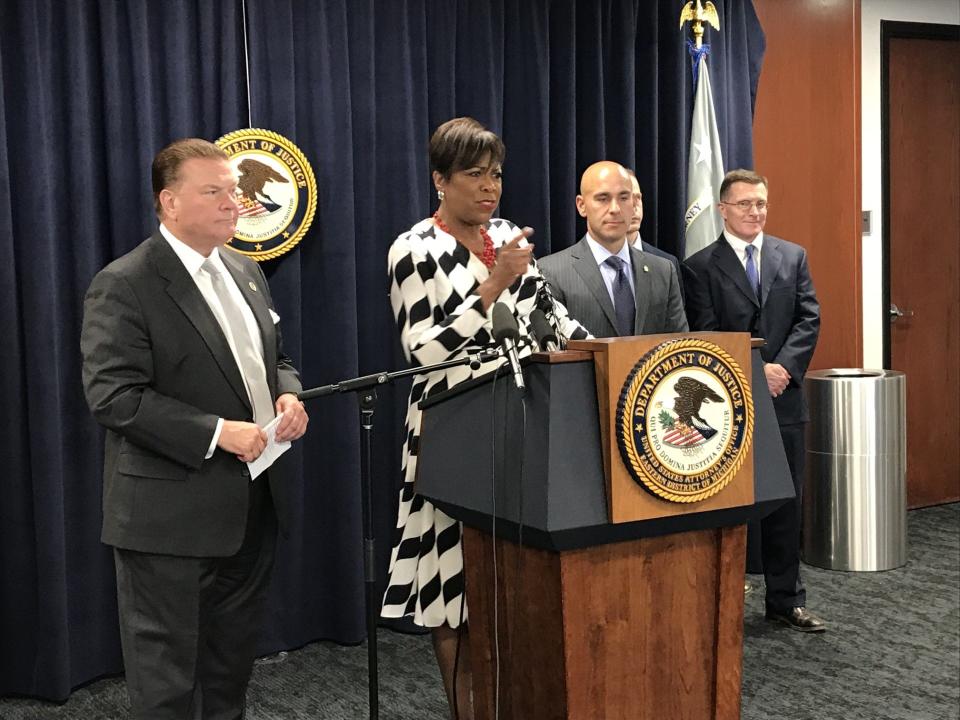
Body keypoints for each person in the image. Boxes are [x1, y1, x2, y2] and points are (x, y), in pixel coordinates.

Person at [80, 138, 309, 717]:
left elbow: (272, 357)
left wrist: (289, 392)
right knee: (168, 684)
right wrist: (216, 431)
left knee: (229, 672)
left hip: (253, 504)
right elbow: (113, 396)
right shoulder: (125, 282)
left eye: (233, 189)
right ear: (169, 202)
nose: (233, 202)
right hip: (167, 522)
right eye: (214, 191)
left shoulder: (246, 269)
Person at [380, 117, 588, 719]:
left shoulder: (507, 236)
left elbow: (556, 323)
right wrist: (494, 285)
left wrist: (610, 361)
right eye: (474, 174)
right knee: (454, 585)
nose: (489, 186)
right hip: (451, 433)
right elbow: (423, 350)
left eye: (495, 174)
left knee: (509, 580)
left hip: (522, 427)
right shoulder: (414, 248)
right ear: (441, 181)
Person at [682, 169, 825, 633]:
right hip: (729, 404)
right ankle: (723, 603)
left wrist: (783, 368)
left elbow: (809, 317)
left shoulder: (792, 255)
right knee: (730, 504)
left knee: (787, 501)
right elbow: (704, 330)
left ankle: (787, 599)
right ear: (723, 209)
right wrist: (753, 370)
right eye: (744, 204)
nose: (754, 212)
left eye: (760, 203)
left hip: (785, 399)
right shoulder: (700, 266)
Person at [538, 161, 687, 338]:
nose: (615, 209)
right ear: (581, 205)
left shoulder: (663, 271)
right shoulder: (552, 272)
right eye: (603, 199)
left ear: (634, 203)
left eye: (624, 198)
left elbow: (679, 348)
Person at [625, 169, 684, 300]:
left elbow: (677, 319)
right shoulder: (572, 265)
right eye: (625, 198)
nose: (635, 207)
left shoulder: (667, 265)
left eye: (638, 198)